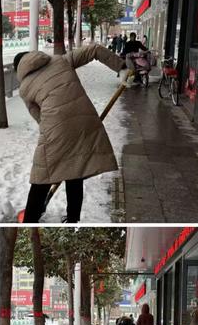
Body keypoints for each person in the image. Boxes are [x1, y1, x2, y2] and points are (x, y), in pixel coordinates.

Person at [13, 45, 127, 223]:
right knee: (75, 169)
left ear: (19, 69)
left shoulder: (25, 88)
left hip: (56, 129)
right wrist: (122, 67)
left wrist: (56, 135)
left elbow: (40, 119)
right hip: (85, 121)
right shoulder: (60, 60)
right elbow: (94, 50)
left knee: (41, 177)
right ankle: (73, 219)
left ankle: (29, 221)